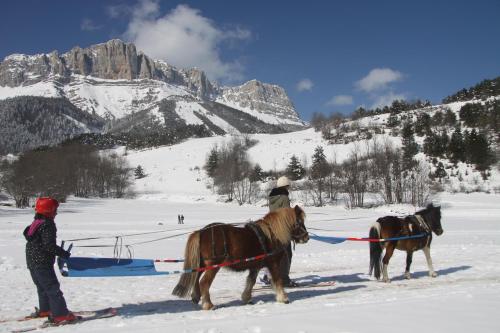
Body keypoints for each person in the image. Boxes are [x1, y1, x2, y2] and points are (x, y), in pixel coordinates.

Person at [24, 197, 79, 325]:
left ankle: (46, 309)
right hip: (42, 261)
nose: (56, 213)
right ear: (49, 211)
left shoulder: (36, 222)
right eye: (55, 210)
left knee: (42, 287)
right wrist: (64, 253)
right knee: (52, 288)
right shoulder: (47, 224)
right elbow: (49, 245)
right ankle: (61, 315)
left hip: (32, 261)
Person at [261, 176, 298, 287]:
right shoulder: (284, 197)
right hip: (282, 230)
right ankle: (284, 279)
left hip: (272, 228)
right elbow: (286, 215)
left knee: (273, 254)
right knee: (286, 254)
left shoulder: (272, 197)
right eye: (288, 186)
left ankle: (267, 276)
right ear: (286, 186)